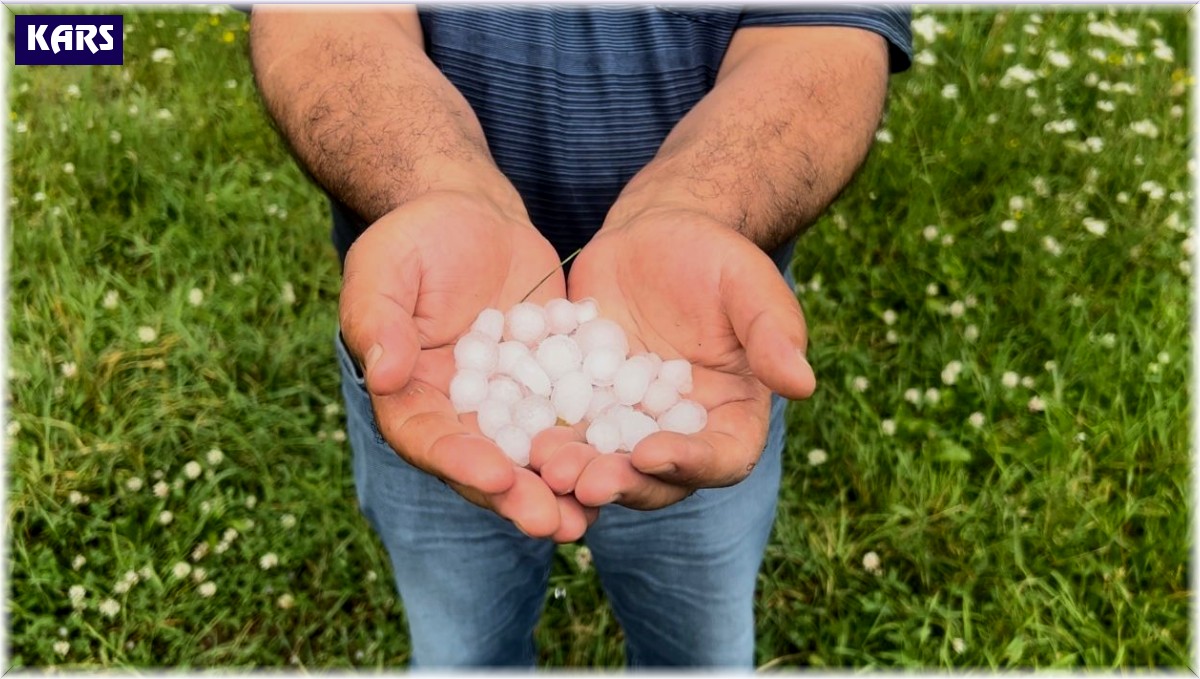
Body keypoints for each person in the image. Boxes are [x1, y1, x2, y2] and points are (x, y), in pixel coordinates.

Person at [249, 4, 911, 668]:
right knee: (461, 651)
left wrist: (698, 205)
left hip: (707, 339)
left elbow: (826, 35)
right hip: (427, 343)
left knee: (696, 654)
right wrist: (435, 183)